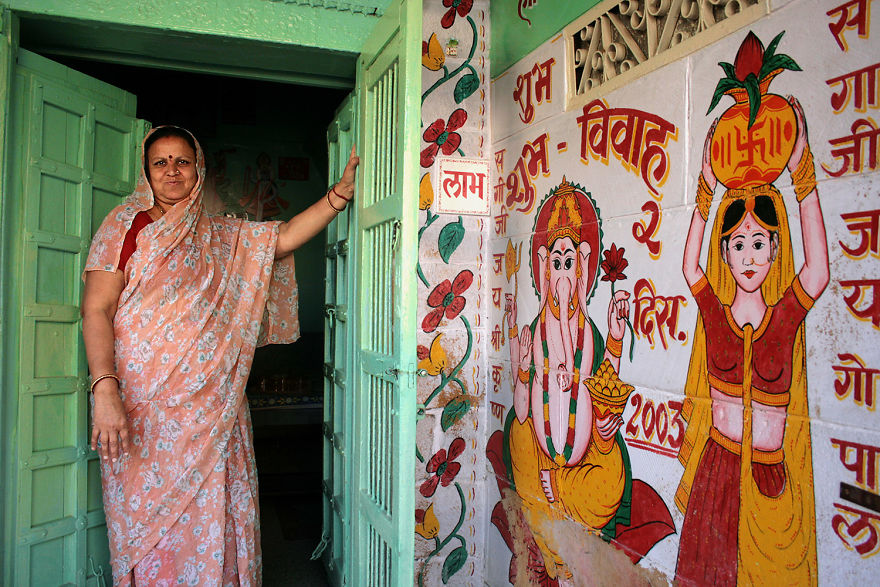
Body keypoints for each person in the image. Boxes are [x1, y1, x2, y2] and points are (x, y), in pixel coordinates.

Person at [81, 125, 359, 586]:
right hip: (143, 409)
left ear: (198, 168)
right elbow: (97, 309)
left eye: (182, 161)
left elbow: (283, 237)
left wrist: (339, 196)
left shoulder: (219, 235)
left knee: (219, 509)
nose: (172, 170)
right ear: (145, 172)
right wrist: (104, 388)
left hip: (215, 408)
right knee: (152, 524)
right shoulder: (125, 228)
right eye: (160, 162)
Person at [675, 98, 828, 585]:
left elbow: (819, 271)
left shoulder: (783, 318)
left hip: (770, 485)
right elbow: (689, 269)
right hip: (716, 477)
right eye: (737, 244)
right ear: (725, 251)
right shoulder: (717, 319)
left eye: (758, 242)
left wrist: (803, 171)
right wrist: (704, 187)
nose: (747, 256)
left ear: (775, 248)